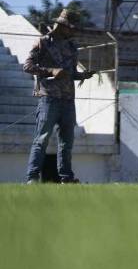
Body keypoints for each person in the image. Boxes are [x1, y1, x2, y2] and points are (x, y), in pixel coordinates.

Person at [22, 9, 94, 184]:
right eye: (70, 28)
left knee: (67, 142)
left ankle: (66, 177)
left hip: (68, 99)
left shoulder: (71, 47)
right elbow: (28, 66)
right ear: (62, 26)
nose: (73, 31)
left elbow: (70, 73)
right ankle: (32, 177)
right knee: (42, 139)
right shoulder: (43, 42)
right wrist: (50, 71)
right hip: (48, 98)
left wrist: (82, 76)